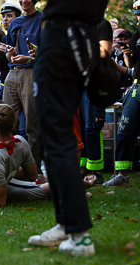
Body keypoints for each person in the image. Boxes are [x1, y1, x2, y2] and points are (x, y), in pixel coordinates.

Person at [28, 0, 109, 256]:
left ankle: (79, 234)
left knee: (57, 139)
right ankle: (66, 223)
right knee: (50, 141)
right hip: (67, 36)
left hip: (65, 37)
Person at [3, 0, 43, 172]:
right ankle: (7, 168)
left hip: (32, 73)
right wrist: (10, 54)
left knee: (32, 126)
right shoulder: (15, 23)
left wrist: (29, 57)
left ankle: (35, 172)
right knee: (3, 121)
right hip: (12, 74)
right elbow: (8, 54)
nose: (24, 0)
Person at [105, 1, 140, 187]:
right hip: (136, 89)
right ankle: (122, 176)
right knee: (124, 132)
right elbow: (131, 65)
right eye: (138, 15)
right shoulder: (137, 35)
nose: (139, 18)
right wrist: (127, 54)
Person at [79, 18, 113, 184]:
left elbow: (104, 52)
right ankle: (81, 170)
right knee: (79, 129)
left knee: (92, 128)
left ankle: (96, 171)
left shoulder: (101, 24)